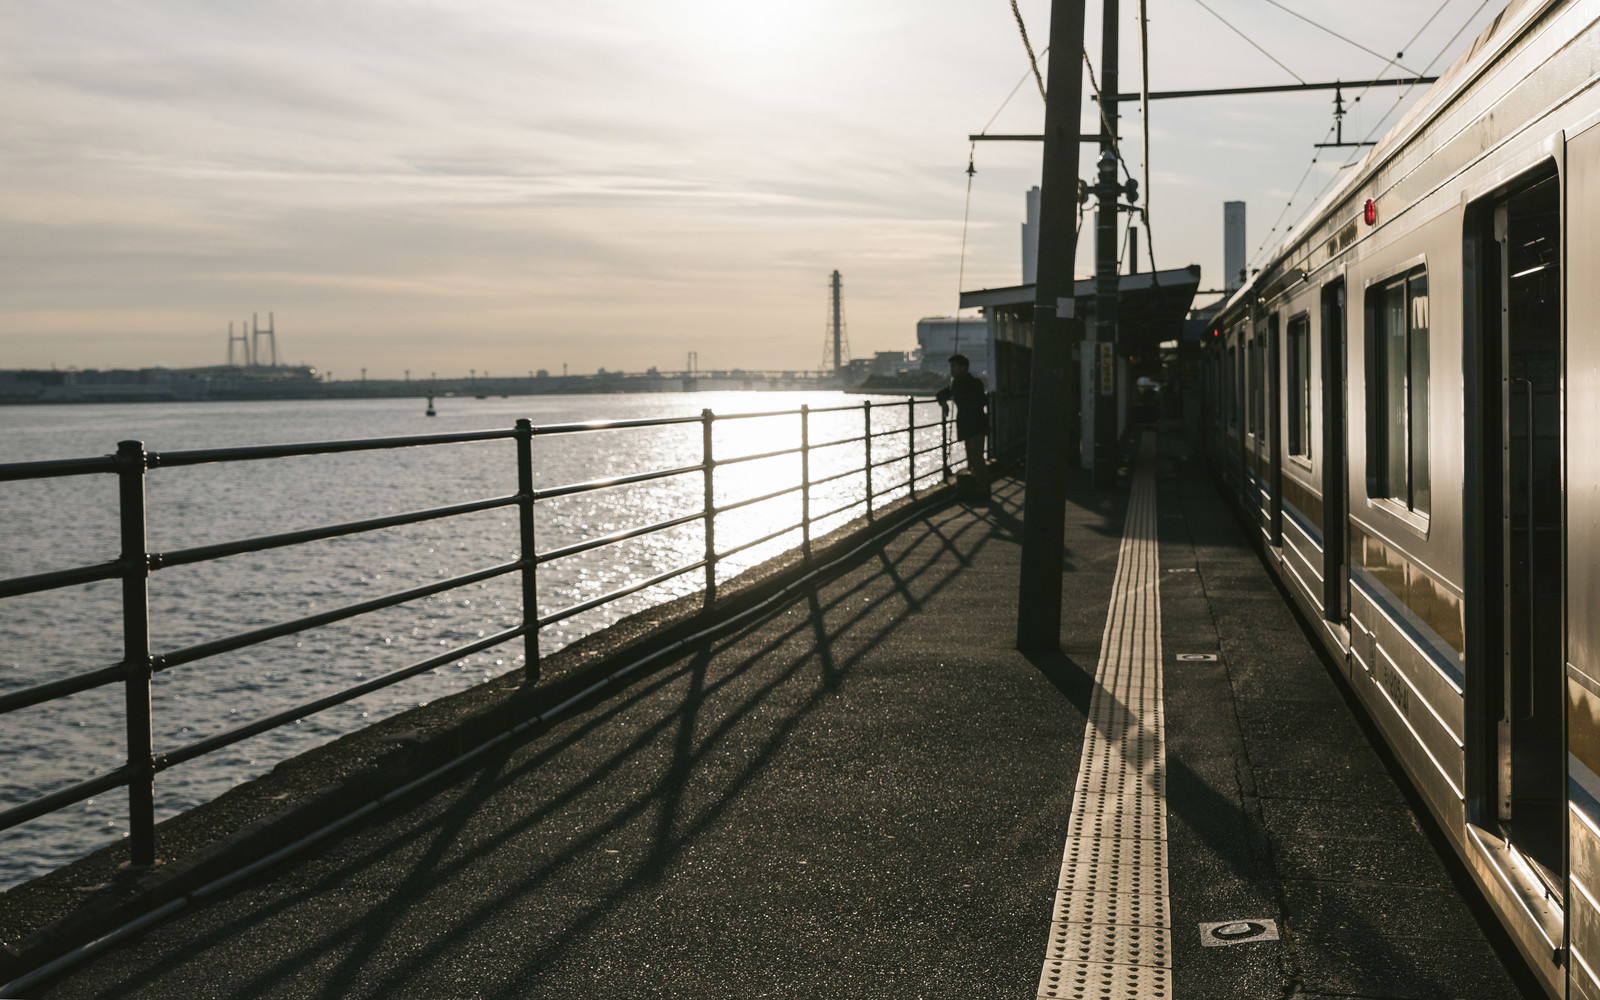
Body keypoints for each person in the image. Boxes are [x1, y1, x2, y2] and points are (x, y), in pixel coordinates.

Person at [935, 353, 991, 499]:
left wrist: (955, 400)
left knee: (976, 456)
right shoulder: (957, 383)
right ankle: (978, 486)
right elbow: (941, 394)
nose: (951, 370)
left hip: (976, 424)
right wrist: (944, 402)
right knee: (972, 456)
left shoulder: (972, 383)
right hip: (969, 424)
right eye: (950, 366)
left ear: (963, 367)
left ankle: (983, 489)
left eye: (953, 366)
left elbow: (982, 401)